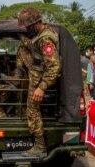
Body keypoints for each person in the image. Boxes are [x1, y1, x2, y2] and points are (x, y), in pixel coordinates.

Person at [16, 7, 60, 156]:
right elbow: (33, 49)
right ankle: (18, 77)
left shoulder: (45, 39)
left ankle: (40, 146)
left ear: (36, 23)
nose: (28, 29)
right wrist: (22, 39)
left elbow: (54, 66)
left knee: (32, 110)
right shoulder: (40, 36)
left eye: (28, 26)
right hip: (35, 71)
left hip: (39, 79)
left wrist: (41, 87)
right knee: (22, 49)